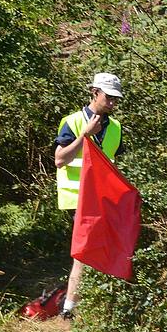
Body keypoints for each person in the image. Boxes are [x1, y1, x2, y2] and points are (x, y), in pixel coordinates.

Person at [53, 72, 125, 319]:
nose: (113, 103)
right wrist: (85, 134)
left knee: (99, 250)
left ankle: (93, 306)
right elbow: (60, 159)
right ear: (95, 93)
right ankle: (69, 309)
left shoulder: (115, 128)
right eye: (109, 97)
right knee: (85, 251)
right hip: (79, 201)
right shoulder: (72, 122)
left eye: (117, 99)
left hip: (105, 200)